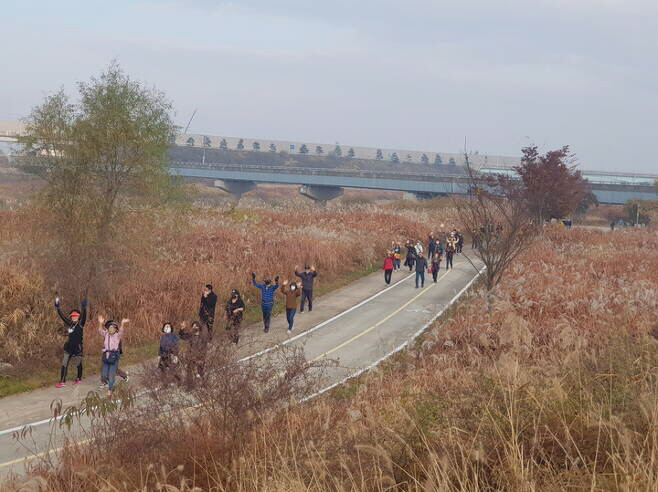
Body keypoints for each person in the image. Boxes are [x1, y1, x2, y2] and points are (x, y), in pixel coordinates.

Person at [54, 296, 88, 388]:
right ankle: (62, 381)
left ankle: (78, 378)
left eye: (76, 316)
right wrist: (58, 308)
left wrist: (84, 308)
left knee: (78, 364)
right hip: (69, 347)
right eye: (72, 316)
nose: (74, 317)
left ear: (78, 317)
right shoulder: (69, 323)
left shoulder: (81, 324)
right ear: (71, 317)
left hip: (78, 348)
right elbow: (62, 316)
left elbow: (84, 316)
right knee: (64, 363)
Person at [98, 317, 128, 396]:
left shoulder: (117, 336)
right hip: (106, 356)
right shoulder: (106, 334)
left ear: (115, 329)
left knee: (111, 374)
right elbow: (100, 331)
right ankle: (108, 383)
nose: (111, 329)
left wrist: (122, 324)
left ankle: (110, 389)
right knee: (104, 374)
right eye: (110, 328)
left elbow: (121, 332)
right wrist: (100, 323)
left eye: (113, 328)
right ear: (107, 329)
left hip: (114, 356)